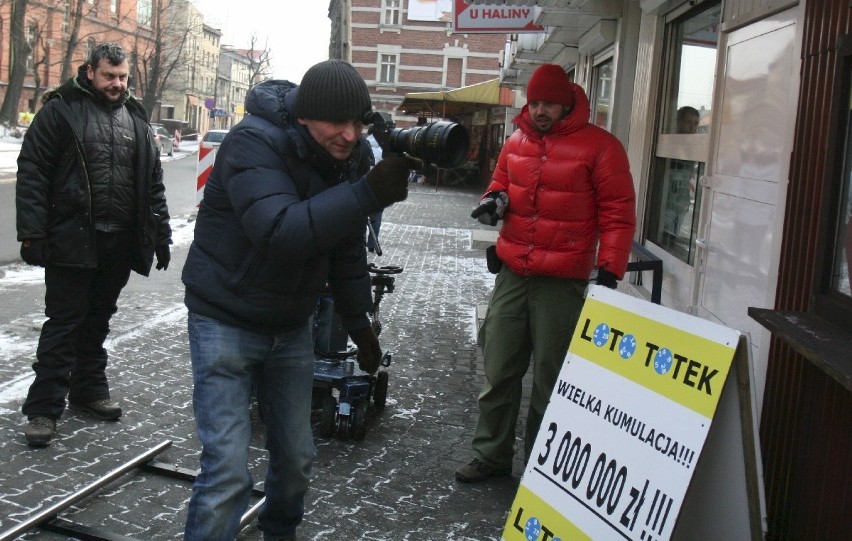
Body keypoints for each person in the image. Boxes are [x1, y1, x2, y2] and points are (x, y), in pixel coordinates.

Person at [180, 59, 417, 541]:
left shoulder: (348, 156)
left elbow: (345, 247)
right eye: (338, 122)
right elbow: (280, 230)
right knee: (227, 472)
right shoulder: (252, 142)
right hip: (224, 320)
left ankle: (280, 533)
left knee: (296, 460)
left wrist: (360, 326)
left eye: (359, 123)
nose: (350, 136)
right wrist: (366, 194)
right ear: (305, 116)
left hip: (289, 325)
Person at [456, 63, 636, 483]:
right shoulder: (515, 142)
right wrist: (492, 204)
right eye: (534, 102)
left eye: (549, 103)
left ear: (567, 102)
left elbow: (618, 212)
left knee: (552, 378)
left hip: (563, 281)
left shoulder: (602, 147)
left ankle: (543, 463)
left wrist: (610, 268)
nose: (540, 110)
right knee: (499, 368)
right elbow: (499, 186)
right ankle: (491, 454)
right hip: (514, 274)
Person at [15, 42, 172, 447]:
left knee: (98, 320)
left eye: (122, 77)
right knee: (64, 324)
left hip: (118, 242)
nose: (117, 84)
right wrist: (32, 232)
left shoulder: (136, 118)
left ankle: (87, 391)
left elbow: (153, 183)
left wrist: (162, 234)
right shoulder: (60, 111)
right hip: (71, 239)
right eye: (109, 76)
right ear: (89, 72)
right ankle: (43, 410)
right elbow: (33, 172)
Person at [366, 127, 383, 252]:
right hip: (378, 186)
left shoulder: (363, 145)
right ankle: (372, 243)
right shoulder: (385, 148)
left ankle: (359, 243)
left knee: (359, 217)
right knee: (376, 216)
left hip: (362, 184)